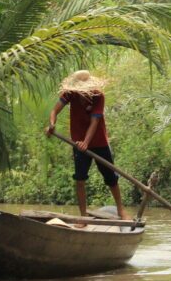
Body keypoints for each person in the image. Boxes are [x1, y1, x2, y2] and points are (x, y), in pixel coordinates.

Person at [45, 70, 128, 219]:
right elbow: (54, 111)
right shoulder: (70, 94)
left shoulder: (98, 96)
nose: (83, 93)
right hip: (78, 143)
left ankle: (121, 210)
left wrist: (86, 142)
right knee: (80, 178)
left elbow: (94, 122)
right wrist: (52, 125)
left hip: (99, 142)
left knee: (111, 177)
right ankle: (83, 216)